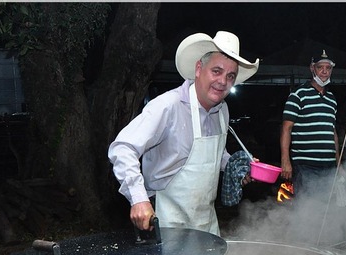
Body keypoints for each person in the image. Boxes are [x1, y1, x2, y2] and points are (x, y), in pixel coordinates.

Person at [108, 31, 259, 236]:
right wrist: (138, 198)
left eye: (230, 76)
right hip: (164, 218)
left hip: (205, 221)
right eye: (216, 71)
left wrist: (237, 167)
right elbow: (123, 148)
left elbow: (216, 155)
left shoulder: (222, 110)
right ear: (199, 68)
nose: (223, 81)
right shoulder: (167, 106)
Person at [279, 50, 341, 200]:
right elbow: (286, 128)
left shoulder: (332, 99)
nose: (325, 72)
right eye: (320, 67)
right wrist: (285, 160)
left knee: (326, 209)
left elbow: (332, 132)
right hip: (306, 166)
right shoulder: (298, 94)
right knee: (306, 209)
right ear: (312, 68)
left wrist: (338, 163)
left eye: (328, 68)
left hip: (329, 166)